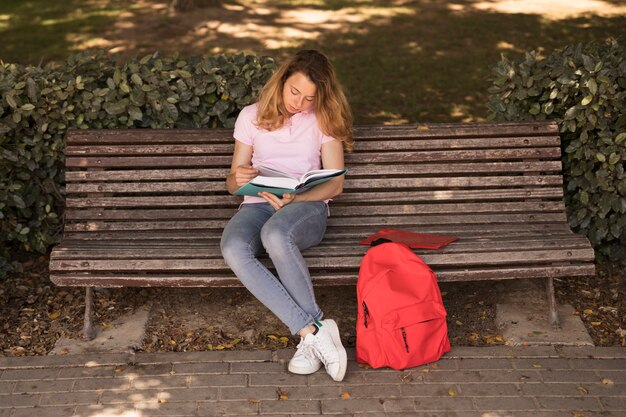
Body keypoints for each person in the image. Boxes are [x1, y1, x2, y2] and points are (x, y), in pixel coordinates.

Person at [220, 50, 354, 382]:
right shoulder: (250, 117)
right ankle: (313, 331)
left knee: (276, 235)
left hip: (307, 208)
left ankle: (311, 335)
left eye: (310, 97)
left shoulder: (323, 120)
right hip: (258, 204)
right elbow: (234, 183)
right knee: (233, 248)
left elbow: (336, 184)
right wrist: (236, 180)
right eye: (295, 92)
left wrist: (298, 198)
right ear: (281, 81)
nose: (300, 102)